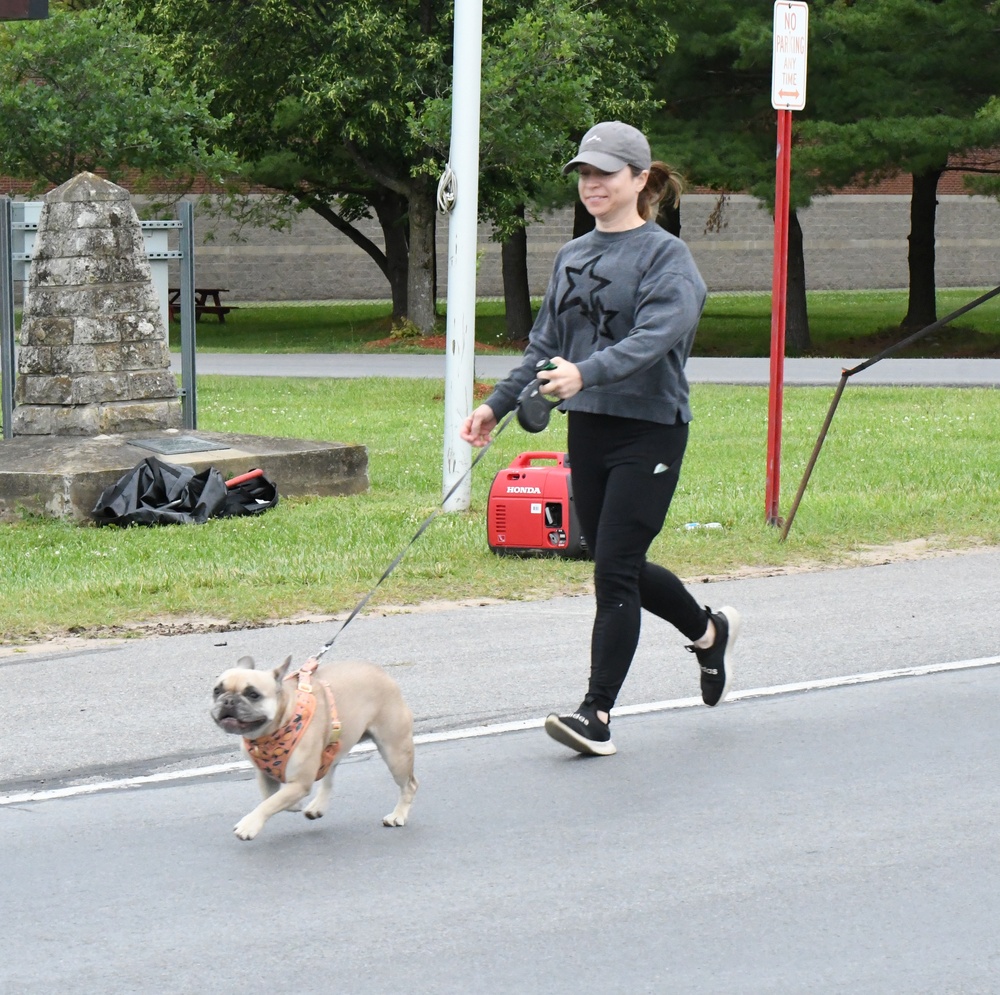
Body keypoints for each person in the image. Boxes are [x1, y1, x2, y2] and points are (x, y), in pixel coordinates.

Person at [460, 121, 740, 756]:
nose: (592, 184)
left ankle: (596, 714)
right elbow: (544, 347)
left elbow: (652, 339)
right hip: (588, 427)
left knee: (612, 569)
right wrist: (496, 404)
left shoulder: (667, 259)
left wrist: (587, 372)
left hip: (651, 431)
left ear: (640, 180)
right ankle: (707, 631)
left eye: (606, 174)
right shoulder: (572, 255)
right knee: (618, 562)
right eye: (585, 174)